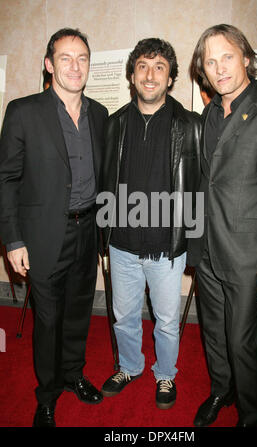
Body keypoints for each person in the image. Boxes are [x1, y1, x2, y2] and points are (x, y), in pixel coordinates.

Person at [188, 24, 257, 427]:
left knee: (241, 341)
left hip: (250, 256)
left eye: (227, 57)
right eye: (210, 62)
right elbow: (207, 183)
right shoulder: (209, 114)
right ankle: (222, 390)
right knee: (213, 335)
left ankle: (251, 415)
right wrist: (193, 241)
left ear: (246, 57)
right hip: (209, 251)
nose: (219, 69)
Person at [0, 28, 108, 427]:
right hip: (43, 235)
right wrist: (13, 240)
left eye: (82, 58)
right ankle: (46, 396)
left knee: (79, 311)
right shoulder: (23, 111)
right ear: (49, 65)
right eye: (65, 58)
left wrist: (105, 233)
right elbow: (6, 179)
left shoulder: (99, 114)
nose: (75, 66)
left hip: (86, 232)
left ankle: (73, 374)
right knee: (48, 319)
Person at [99, 38, 201, 410]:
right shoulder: (114, 125)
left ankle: (165, 374)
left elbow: (198, 187)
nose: (150, 74)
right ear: (131, 74)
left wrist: (195, 243)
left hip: (167, 246)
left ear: (171, 77)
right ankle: (129, 366)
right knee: (123, 316)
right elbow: (103, 182)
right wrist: (103, 234)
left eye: (160, 67)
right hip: (121, 244)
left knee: (166, 320)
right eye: (143, 65)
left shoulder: (191, 125)